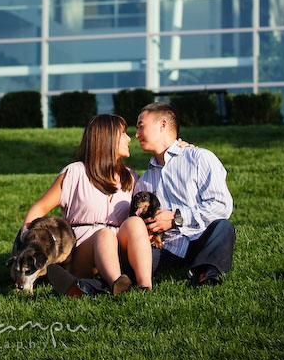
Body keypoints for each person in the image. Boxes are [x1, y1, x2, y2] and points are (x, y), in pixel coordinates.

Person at [20, 113, 154, 296]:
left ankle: (145, 286)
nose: (129, 139)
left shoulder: (130, 177)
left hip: (119, 250)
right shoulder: (76, 172)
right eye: (124, 134)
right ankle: (117, 286)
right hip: (83, 251)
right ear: (107, 137)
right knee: (104, 235)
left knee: (135, 223)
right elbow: (40, 208)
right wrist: (27, 238)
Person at [129, 101, 235, 286]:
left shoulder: (199, 158)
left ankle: (205, 273)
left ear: (162, 124)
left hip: (200, 237)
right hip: (167, 248)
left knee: (224, 227)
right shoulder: (144, 180)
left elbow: (222, 205)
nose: (136, 134)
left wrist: (176, 217)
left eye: (141, 127)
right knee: (132, 259)